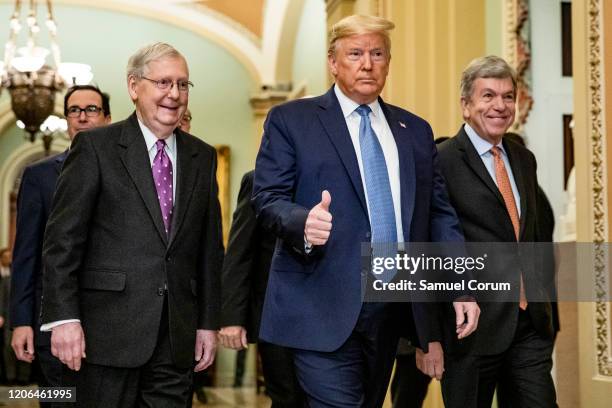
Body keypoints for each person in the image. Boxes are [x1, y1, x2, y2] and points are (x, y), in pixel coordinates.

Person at [252, 14, 479, 407]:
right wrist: (303, 223)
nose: (367, 63)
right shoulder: (293, 120)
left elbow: (438, 216)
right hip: (319, 303)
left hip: (391, 308)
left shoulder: (415, 131)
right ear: (333, 61)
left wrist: (460, 284)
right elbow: (267, 198)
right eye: (355, 53)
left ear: (388, 62)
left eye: (377, 53)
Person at [40, 42, 224, 407]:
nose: (174, 94)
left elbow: (208, 249)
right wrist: (63, 318)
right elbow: (63, 240)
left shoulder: (201, 156)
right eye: (163, 83)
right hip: (105, 338)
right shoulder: (96, 147)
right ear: (133, 86)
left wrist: (207, 323)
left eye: (183, 84)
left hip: (176, 340)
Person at [437, 55, 557, 407]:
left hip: (528, 324)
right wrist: (427, 335)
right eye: (488, 96)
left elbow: (529, 236)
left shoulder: (523, 159)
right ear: (466, 105)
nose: (500, 106)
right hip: (471, 329)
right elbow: (433, 242)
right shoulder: (441, 161)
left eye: (508, 96)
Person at [8, 85, 111, 399]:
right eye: (74, 111)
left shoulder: (128, 174)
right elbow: (26, 254)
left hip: (113, 322)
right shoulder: (39, 176)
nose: (82, 117)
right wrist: (21, 321)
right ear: (66, 120)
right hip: (51, 321)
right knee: (59, 400)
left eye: (91, 109)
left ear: (107, 118)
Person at [219, 170, 306, 407]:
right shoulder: (259, 180)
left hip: (333, 314)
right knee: (288, 399)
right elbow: (240, 252)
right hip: (276, 316)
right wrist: (232, 318)